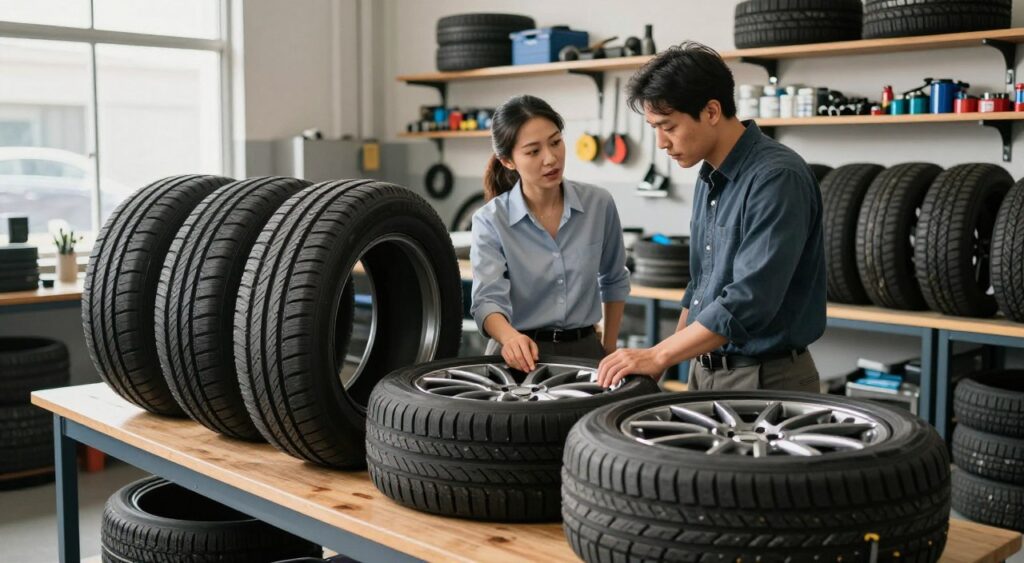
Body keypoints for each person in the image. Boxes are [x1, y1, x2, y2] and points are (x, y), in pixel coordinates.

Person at [597, 41, 826, 392]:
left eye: (668, 126)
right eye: (654, 127)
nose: (660, 142)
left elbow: (749, 301)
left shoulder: (777, 178)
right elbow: (701, 287)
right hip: (704, 372)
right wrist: (665, 359)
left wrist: (660, 355)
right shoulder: (709, 176)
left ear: (712, 111)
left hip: (763, 379)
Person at [470, 94, 630, 372]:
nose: (551, 158)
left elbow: (614, 278)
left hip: (586, 350)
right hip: (519, 354)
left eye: (555, 142)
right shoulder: (490, 220)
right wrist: (509, 338)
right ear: (508, 161)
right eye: (533, 151)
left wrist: (609, 347)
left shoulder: (598, 204)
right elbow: (486, 300)